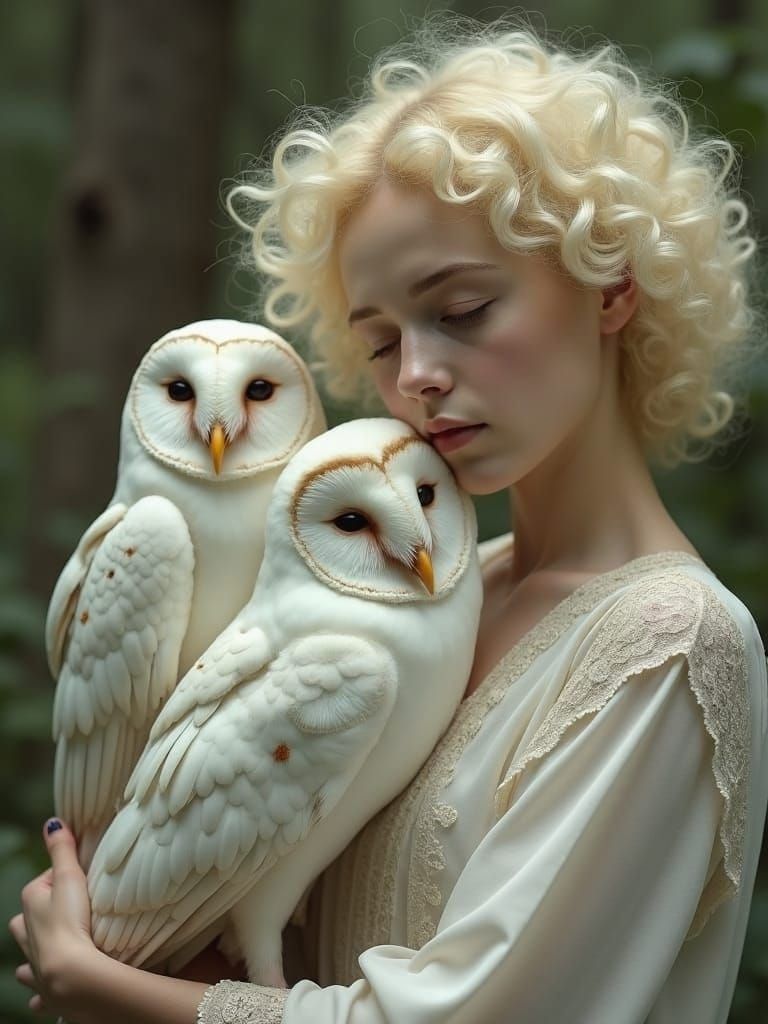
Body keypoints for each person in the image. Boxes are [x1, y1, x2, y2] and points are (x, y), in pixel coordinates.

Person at [10, 17, 768, 1024]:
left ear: (612, 287)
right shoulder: (448, 586)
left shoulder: (667, 646)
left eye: (460, 310)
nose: (416, 375)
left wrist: (106, 986)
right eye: (379, 341)